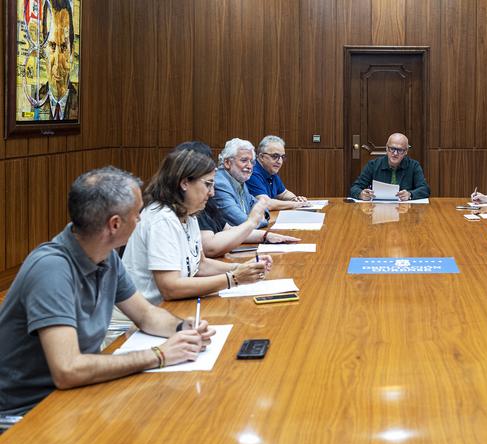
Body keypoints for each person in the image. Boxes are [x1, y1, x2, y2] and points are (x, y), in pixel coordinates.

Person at [0, 167, 214, 416]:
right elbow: (67, 369)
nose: (140, 220)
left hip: (73, 396)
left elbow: (145, 315)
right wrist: (159, 355)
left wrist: (182, 329)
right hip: (25, 412)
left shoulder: (106, 256)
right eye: (137, 214)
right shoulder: (51, 270)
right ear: (114, 224)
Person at [122, 149, 273, 305]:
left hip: (169, 308)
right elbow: (170, 288)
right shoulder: (161, 219)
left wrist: (243, 268)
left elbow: (201, 265)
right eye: (208, 184)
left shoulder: (188, 213)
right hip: (138, 320)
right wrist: (233, 278)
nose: (212, 193)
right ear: (185, 183)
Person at [191, 139, 299, 257]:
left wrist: (265, 234)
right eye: (244, 160)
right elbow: (243, 222)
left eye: (251, 162)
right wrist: (256, 219)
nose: (249, 166)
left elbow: (256, 205)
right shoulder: (220, 183)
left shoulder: (239, 179)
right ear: (227, 163)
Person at [349, 133, 431, 201]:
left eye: (400, 150)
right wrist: (361, 194)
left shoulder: (414, 166)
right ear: (387, 148)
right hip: (378, 211)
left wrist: (410, 194)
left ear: (406, 151)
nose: (395, 153)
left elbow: (425, 189)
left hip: (405, 211)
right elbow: (354, 188)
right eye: (392, 149)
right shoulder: (373, 165)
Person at [39, 0, 79, 120]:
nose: (57, 62)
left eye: (63, 47)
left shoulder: (82, 103)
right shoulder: (35, 100)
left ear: (72, 51)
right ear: (43, 48)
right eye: (52, 46)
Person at [246, 135, 307, 209]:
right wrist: (294, 204)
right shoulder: (252, 173)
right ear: (261, 157)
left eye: (282, 157)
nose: (280, 161)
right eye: (275, 156)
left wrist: (296, 199)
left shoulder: (270, 171)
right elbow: (265, 203)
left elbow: (283, 193)